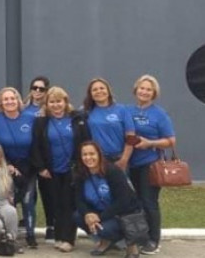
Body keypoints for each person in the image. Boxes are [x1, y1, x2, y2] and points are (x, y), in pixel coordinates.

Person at [30, 86, 90, 252]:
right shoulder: (41, 122)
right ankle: (59, 236)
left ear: (65, 102)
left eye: (59, 101)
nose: (56, 105)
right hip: (50, 170)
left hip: (72, 169)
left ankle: (69, 239)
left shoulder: (76, 119)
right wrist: (41, 167)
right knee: (55, 205)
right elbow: (35, 146)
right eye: (52, 102)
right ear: (47, 104)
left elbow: (86, 142)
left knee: (69, 204)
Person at [128, 75, 176, 255]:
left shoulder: (159, 114)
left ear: (154, 93)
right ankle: (141, 236)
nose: (144, 92)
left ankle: (154, 240)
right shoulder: (128, 111)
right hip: (131, 164)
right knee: (137, 202)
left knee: (149, 202)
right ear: (136, 90)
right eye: (142, 88)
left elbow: (171, 141)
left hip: (150, 165)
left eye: (149, 89)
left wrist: (150, 143)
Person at [0, 87, 38, 248]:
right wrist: (6, 164)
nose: (9, 102)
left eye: (12, 98)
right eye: (6, 99)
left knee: (29, 201)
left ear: (18, 100)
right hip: (6, 166)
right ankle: (9, 236)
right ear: (1, 102)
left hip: (28, 166)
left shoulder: (30, 118)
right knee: (10, 201)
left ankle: (31, 235)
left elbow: (37, 144)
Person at [74, 141, 143, 258]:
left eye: (92, 154)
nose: (88, 158)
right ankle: (106, 241)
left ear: (99, 155)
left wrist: (99, 217)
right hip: (100, 212)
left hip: (123, 214)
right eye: (84, 155)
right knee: (77, 216)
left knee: (105, 229)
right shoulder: (80, 173)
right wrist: (87, 214)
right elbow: (78, 199)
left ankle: (131, 243)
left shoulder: (113, 171)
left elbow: (123, 201)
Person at [22, 76, 54, 242]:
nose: (37, 91)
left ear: (46, 91)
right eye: (35, 88)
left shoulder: (49, 110)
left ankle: (51, 226)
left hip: (43, 158)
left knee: (47, 193)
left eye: (41, 89)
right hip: (26, 158)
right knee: (28, 194)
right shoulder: (23, 108)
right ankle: (27, 223)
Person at [84, 78, 135, 169]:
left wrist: (124, 159)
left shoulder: (122, 110)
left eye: (102, 88)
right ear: (90, 94)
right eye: (94, 90)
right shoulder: (86, 112)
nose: (99, 91)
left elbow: (131, 137)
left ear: (108, 91)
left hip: (119, 158)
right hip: (97, 160)